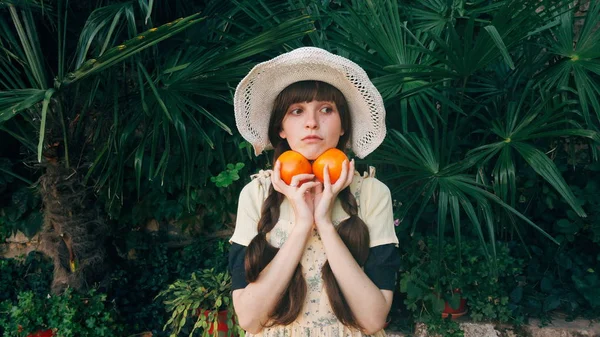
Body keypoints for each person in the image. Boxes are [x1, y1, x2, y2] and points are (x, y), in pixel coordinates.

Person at [229, 47, 400, 337]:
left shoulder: (372, 193)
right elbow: (249, 319)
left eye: (326, 109)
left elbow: (373, 320)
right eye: (297, 111)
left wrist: (324, 222)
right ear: (280, 128)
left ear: (344, 124)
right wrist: (302, 225)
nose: (312, 123)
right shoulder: (256, 193)